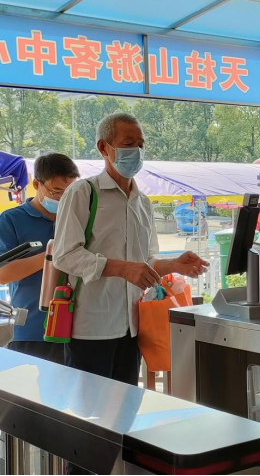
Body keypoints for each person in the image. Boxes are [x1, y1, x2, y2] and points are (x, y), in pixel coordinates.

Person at [53, 112, 209, 386]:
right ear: (104, 148)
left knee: (124, 406)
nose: (136, 151)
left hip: (132, 327)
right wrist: (122, 269)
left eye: (140, 144)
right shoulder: (83, 193)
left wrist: (174, 265)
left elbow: (145, 261)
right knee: (89, 409)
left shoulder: (143, 203)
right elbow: (65, 255)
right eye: (128, 143)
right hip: (90, 330)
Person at [0, 154, 80, 363]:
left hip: (79, 331)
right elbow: (3, 274)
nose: (63, 198)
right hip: (33, 331)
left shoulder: (79, 219)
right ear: (37, 184)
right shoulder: (11, 220)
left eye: (70, 192)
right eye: (56, 191)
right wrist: (52, 256)